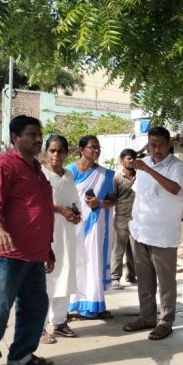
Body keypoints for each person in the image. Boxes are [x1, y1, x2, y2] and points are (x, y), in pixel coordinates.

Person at [0, 115, 55, 365]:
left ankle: (21, 355)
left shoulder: (38, 171)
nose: (38, 139)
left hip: (34, 252)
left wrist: (48, 246)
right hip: (7, 252)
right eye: (32, 134)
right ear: (15, 137)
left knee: (35, 305)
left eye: (39, 134)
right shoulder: (3, 166)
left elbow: (41, 211)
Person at [123, 126, 183, 340]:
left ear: (169, 144)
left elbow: (175, 189)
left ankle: (165, 321)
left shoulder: (176, 166)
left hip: (163, 234)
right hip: (140, 230)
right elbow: (140, 196)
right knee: (144, 279)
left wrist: (149, 170)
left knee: (166, 281)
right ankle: (147, 316)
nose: (156, 150)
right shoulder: (144, 163)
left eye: (160, 145)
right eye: (152, 145)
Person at [68, 135, 116, 319]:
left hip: (97, 226)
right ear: (81, 149)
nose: (96, 151)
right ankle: (70, 305)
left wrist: (100, 203)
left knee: (94, 262)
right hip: (74, 225)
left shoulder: (106, 175)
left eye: (98, 148)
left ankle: (93, 304)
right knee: (76, 263)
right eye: (92, 147)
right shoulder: (69, 172)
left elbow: (113, 199)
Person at [40, 135, 81, 344]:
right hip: (47, 231)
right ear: (46, 151)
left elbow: (74, 200)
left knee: (66, 275)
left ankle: (59, 320)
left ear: (66, 153)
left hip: (66, 232)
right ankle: (39, 325)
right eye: (52, 150)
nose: (56, 155)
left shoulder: (68, 176)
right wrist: (60, 209)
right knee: (46, 278)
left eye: (60, 151)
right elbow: (37, 201)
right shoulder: (40, 174)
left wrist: (75, 213)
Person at [110, 148, 138, 290]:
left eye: (134, 158)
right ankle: (115, 277)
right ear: (122, 161)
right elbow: (112, 198)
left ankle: (132, 276)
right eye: (129, 158)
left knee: (134, 250)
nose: (132, 160)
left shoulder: (140, 176)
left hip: (137, 219)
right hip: (122, 218)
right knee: (118, 249)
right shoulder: (117, 178)